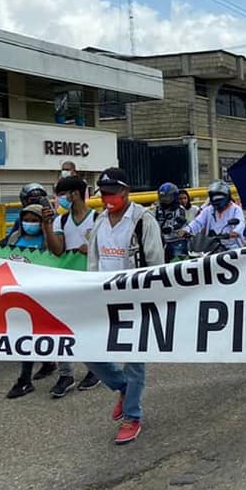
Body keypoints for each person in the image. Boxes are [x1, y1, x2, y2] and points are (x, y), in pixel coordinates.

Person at [85, 167, 165, 445]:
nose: (107, 198)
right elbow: (93, 261)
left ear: (125, 192)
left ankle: (132, 416)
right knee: (89, 351)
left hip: (136, 299)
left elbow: (156, 263)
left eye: (112, 193)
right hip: (104, 298)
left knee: (134, 362)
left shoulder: (143, 220)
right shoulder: (100, 222)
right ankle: (122, 388)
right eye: (103, 193)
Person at [45, 176, 100, 397]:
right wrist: (46, 226)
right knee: (62, 326)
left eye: (62, 195)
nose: (60, 200)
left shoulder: (98, 219)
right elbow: (57, 250)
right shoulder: (61, 221)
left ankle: (95, 369)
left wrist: (92, 248)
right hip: (67, 281)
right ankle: (65, 373)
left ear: (74, 194)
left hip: (91, 281)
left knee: (91, 326)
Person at [1, 204, 59, 399]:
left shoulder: (47, 239)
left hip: (45, 293)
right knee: (26, 333)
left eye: (35, 220)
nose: (30, 224)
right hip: (20, 293)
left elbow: (58, 255)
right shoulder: (15, 237)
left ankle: (69, 369)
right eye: (27, 220)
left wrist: (47, 229)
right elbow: (1, 252)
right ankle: (25, 379)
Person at [181, 181, 246, 250]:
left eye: (219, 198)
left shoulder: (236, 209)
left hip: (232, 246)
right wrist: (187, 229)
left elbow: (241, 223)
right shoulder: (209, 209)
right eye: (214, 198)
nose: (216, 200)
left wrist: (234, 232)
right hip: (212, 245)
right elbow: (198, 222)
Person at [155, 182, 189, 262]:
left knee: (178, 264)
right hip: (162, 242)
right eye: (163, 198)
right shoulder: (157, 209)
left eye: (167, 198)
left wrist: (171, 228)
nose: (165, 200)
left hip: (177, 241)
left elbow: (181, 222)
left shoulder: (180, 209)